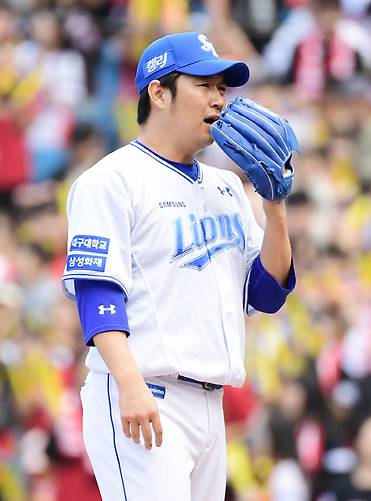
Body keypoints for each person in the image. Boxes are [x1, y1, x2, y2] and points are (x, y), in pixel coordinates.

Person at [61, 32, 297, 501]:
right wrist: (129, 384)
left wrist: (275, 210)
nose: (219, 100)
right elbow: (97, 292)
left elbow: (266, 293)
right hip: (147, 391)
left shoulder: (227, 186)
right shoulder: (111, 180)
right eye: (204, 85)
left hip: (212, 403)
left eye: (223, 89)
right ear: (159, 92)